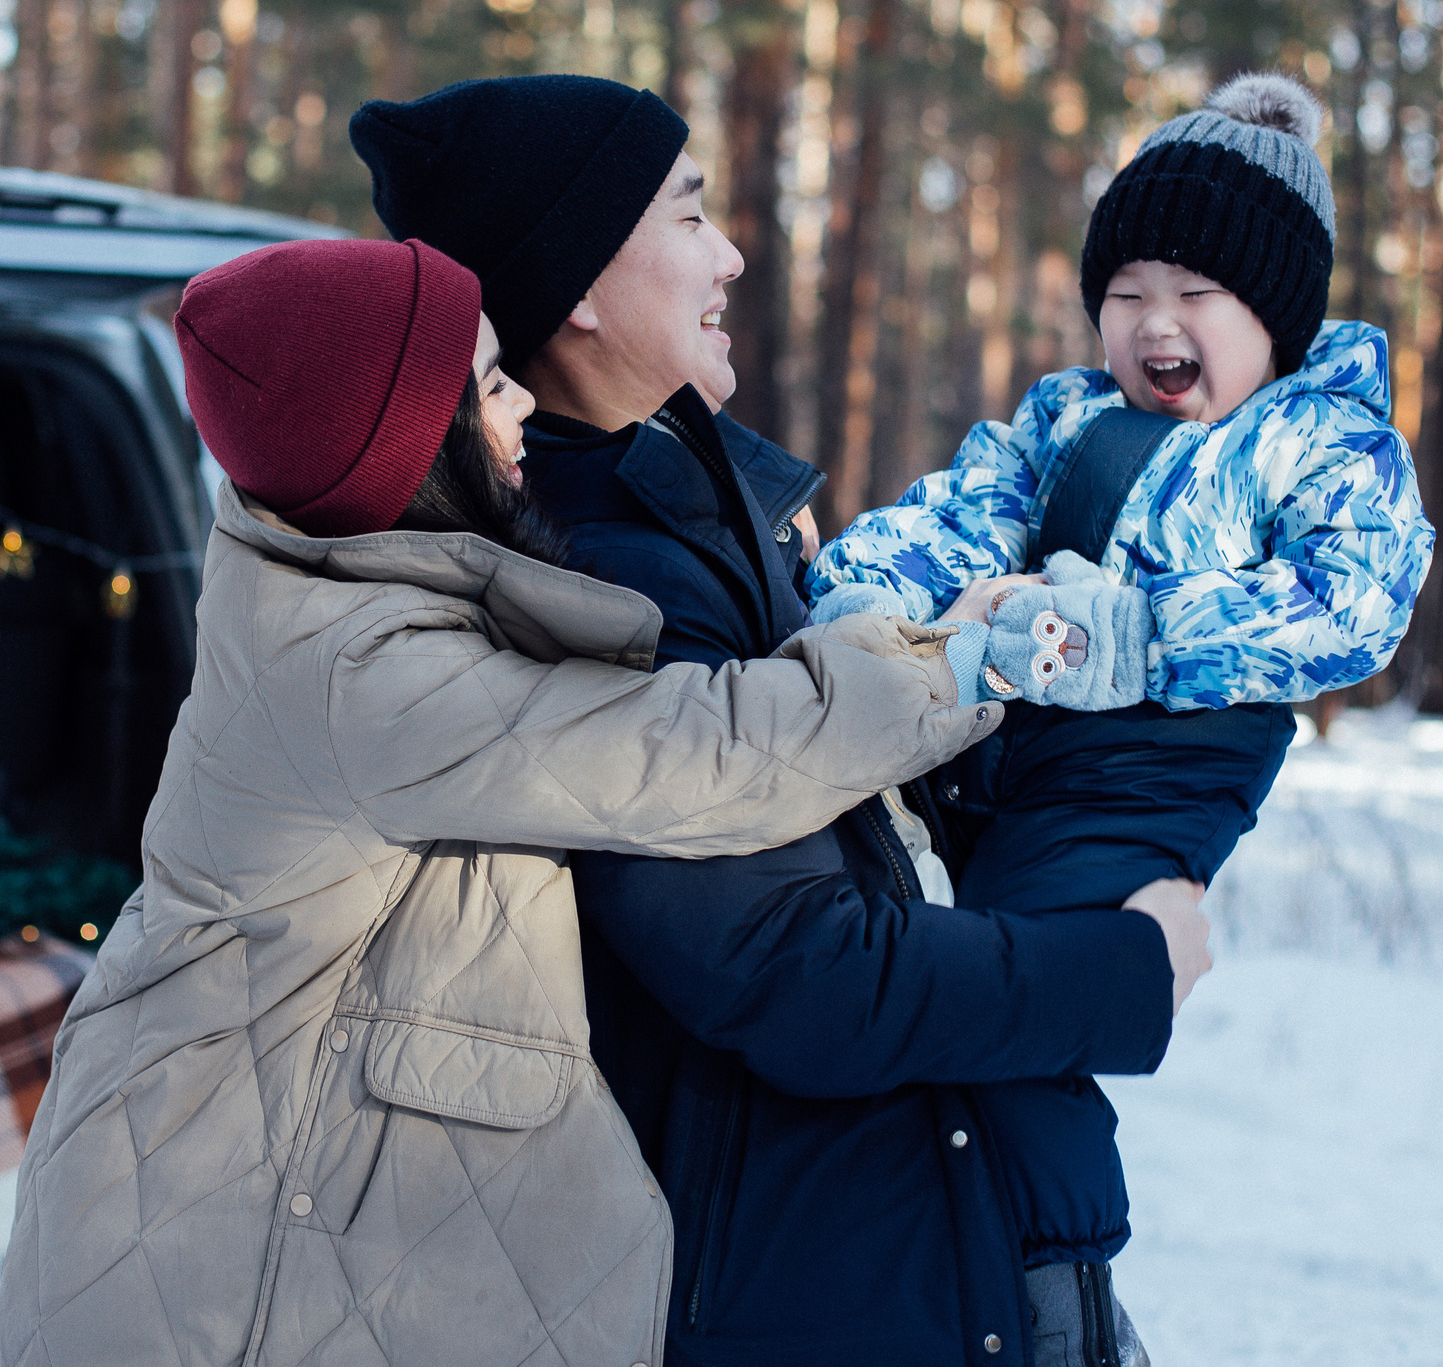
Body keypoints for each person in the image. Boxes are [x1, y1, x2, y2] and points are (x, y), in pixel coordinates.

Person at [0, 235, 1009, 1367]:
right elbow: (686, 756)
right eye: (486, 384)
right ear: (403, 449)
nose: (520, 397)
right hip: (227, 1277)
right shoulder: (359, 676)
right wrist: (952, 664)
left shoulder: (334, 603)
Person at [352, 74, 1210, 1367]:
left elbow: (868, 842)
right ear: (580, 285)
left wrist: (981, 662)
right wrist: (1122, 970)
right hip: (819, 1284)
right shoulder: (605, 587)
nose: (731, 251)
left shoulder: (706, 513)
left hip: (918, 1235)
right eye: (690, 216)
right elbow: (793, 968)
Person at [806, 73, 1437, 1291]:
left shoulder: (1318, 438)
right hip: (1003, 748)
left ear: (1278, 316)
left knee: (1031, 986)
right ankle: (922, 1243)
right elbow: (957, 516)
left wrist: (1141, 634)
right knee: (921, 959)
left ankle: (1051, 1276)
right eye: (1127, 293)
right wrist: (861, 601)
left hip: (1155, 769)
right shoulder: (1063, 421)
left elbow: (1353, 602)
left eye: (1196, 294)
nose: (1157, 322)